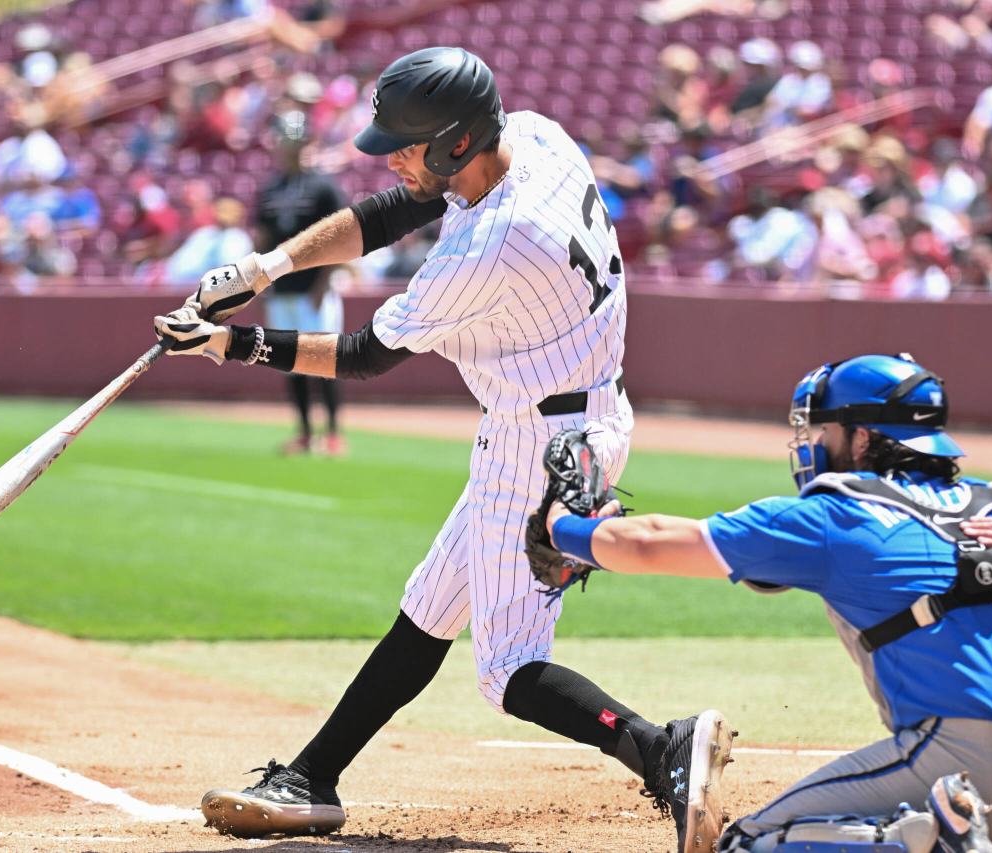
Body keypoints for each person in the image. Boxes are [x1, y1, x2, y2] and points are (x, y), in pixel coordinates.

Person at [152, 46, 729, 848]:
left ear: (458, 141)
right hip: (576, 417)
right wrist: (269, 265)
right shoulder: (533, 136)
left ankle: (660, 745)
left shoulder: (488, 248)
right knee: (428, 608)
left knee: (508, 673)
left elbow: (361, 355)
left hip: (542, 445)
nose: (392, 154)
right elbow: (397, 208)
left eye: (409, 141)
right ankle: (313, 777)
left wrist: (230, 344)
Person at [540, 353, 992, 853]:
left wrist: (562, 525)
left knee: (747, 846)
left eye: (823, 429)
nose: (811, 443)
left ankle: (938, 839)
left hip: (966, 763)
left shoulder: (838, 514)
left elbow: (651, 543)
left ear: (860, 440)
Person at [256, 110, 349, 455]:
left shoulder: (323, 187)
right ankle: (306, 432)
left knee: (325, 361)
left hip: (314, 289)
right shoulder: (270, 189)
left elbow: (340, 237)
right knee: (290, 361)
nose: (287, 148)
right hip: (283, 290)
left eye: (294, 141)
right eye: (284, 140)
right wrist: (259, 282)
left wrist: (323, 283)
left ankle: (334, 433)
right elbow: (263, 238)